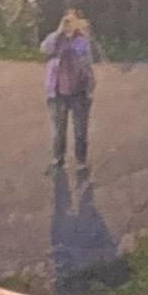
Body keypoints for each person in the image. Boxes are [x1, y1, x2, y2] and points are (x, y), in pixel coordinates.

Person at [40, 10, 100, 173]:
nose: (68, 24)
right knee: (58, 130)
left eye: (71, 21)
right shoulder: (55, 39)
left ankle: (81, 161)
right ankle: (58, 159)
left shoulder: (81, 41)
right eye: (65, 21)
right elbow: (44, 49)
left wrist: (89, 86)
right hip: (57, 92)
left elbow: (87, 61)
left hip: (79, 91)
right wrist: (59, 32)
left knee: (80, 130)